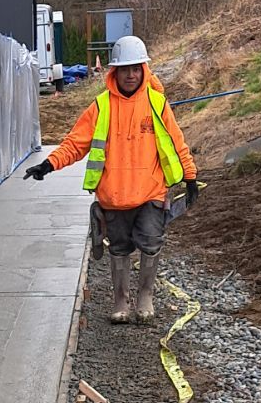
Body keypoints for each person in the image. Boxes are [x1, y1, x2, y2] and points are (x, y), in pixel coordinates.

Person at [24, 35, 197, 323]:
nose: (131, 74)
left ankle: (145, 297)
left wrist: (190, 176)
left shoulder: (156, 103)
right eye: (125, 69)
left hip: (150, 193)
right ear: (114, 71)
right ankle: (121, 302)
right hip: (114, 197)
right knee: (119, 248)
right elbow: (76, 143)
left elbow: (177, 142)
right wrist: (49, 164)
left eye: (136, 68)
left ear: (144, 69)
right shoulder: (102, 106)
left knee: (151, 241)